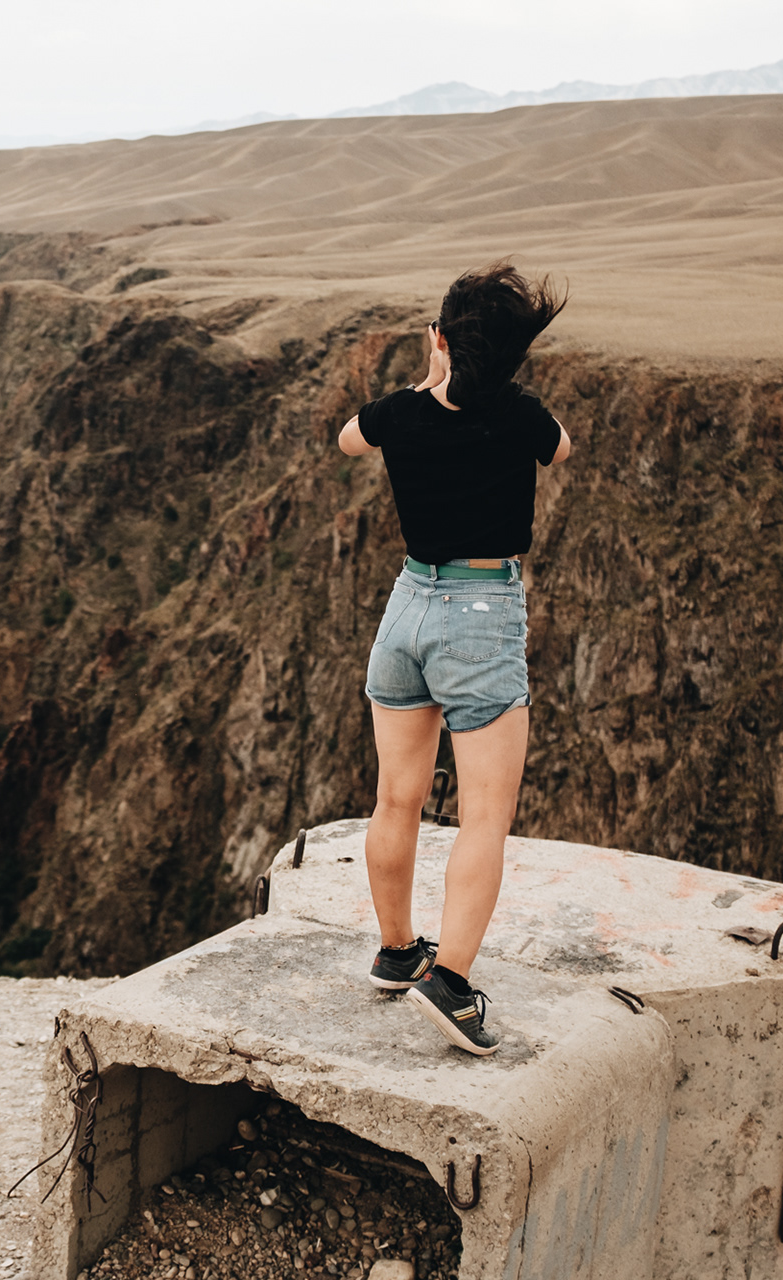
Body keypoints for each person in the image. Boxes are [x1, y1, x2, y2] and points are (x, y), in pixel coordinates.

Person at [335, 261, 570, 1056]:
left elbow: (347, 438)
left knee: (395, 798)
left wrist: (428, 379)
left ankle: (398, 951)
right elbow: (561, 449)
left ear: (440, 339)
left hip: (406, 608)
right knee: (484, 817)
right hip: (481, 615)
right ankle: (452, 985)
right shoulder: (520, 413)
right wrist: (485, 380)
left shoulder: (400, 414)